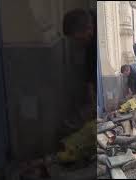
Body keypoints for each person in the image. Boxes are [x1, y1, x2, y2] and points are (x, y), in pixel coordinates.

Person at [62, 8, 94, 136]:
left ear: (88, 29)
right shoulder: (88, 41)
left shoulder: (95, 39)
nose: (77, 43)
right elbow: (89, 66)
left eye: (78, 39)